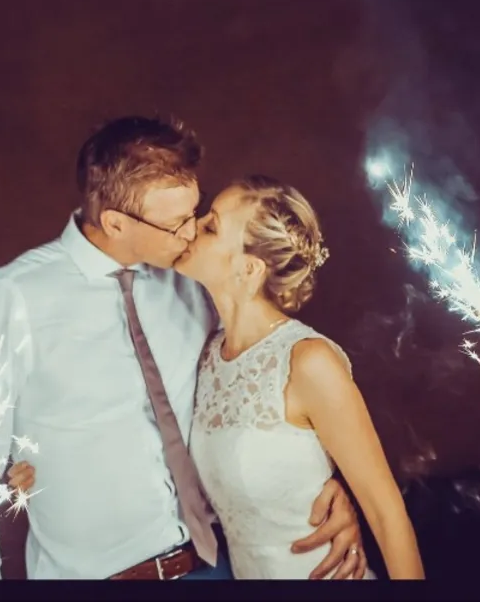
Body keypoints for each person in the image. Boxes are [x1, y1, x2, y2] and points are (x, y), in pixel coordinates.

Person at [0, 116, 368, 581]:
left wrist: (321, 485)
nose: (192, 232)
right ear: (115, 223)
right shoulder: (13, 298)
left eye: (195, 212)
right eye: (176, 224)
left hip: (219, 566)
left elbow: (268, 379)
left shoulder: (194, 281)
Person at [172, 174, 424, 579]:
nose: (191, 228)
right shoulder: (208, 356)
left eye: (211, 226)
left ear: (249, 269)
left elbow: (385, 511)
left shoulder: (308, 361)